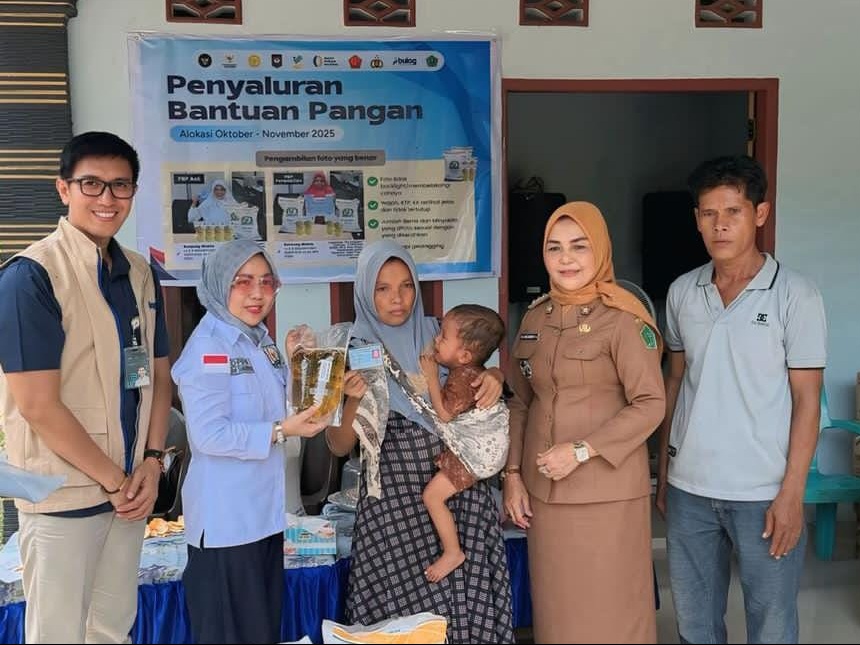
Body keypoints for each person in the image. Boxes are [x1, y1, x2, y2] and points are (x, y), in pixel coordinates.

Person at [0, 131, 173, 644]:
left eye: (121, 185)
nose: (107, 198)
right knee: (58, 635)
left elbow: (158, 374)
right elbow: (38, 405)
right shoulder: (30, 277)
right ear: (64, 189)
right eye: (91, 184)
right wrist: (116, 481)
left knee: (112, 630)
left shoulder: (139, 272)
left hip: (130, 490)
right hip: (63, 497)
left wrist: (152, 461)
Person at [655, 155, 827, 644]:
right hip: (690, 490)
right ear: (696, 219)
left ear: (760, 213)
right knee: (695, 625)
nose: (720, 225)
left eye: (733, 211)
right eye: (709, 214)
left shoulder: (796, 295)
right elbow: (675, 383)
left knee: (771, 625)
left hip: (764, 492)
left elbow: (807, 400)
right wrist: (665, 472)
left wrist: (792, 494)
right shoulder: (682, 292)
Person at [325, 240, 514, 643]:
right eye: (382, 288)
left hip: (457, 498)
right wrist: (353, 399)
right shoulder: (349, 350)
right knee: (397, 618)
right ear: (364, 291)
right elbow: (338, 446)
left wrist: (496, 377)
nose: (397, 299)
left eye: (406, 285)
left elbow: (480, 378)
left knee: (462, 614)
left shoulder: (442, 334)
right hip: (391, 507)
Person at [503, 201, 665, 644]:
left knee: (611, 610)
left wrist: (581, 450)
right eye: (554, 247)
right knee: (558, 611)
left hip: (607, 493)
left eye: (579, 246)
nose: (566, 259)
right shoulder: (535, 318)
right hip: (544, 494)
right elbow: (519, 402)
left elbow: (651, 403)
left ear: (600, 249)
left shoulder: (624, 318)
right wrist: (513, 475)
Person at [171, 240, 346, 644]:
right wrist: (280, 431)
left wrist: (297, 363)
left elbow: (285, 409)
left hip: (263, 519)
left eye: (267, 282)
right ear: (220, 285)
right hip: (227, 526)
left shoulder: (258, 340)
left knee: (260, 632)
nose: (257, 293)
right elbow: (209, 435)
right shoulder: (210, 348)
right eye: (243, 281)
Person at [418, 304, 506, 582]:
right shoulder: (471, 373)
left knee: (432, 497)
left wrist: (431, 377)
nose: (436, 340)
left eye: (443, 337)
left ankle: (453, 552)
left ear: (464, 356)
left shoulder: (464, 378)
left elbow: (444, 414)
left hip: (476, 454)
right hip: (480, 450)